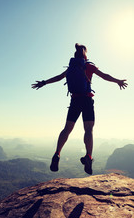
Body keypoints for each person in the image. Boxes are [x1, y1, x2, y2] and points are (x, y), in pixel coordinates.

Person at [31, 43, 127, 175]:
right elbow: (104, 76)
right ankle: (88, 157)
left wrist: (44, 82)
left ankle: (57, 153)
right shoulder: (89, 66)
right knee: (88, 129)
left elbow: (59, 78)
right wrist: (118, 81)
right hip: (87, 100)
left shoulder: (71, 68)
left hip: (75, 100)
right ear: (85, 54)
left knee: (67, 129)